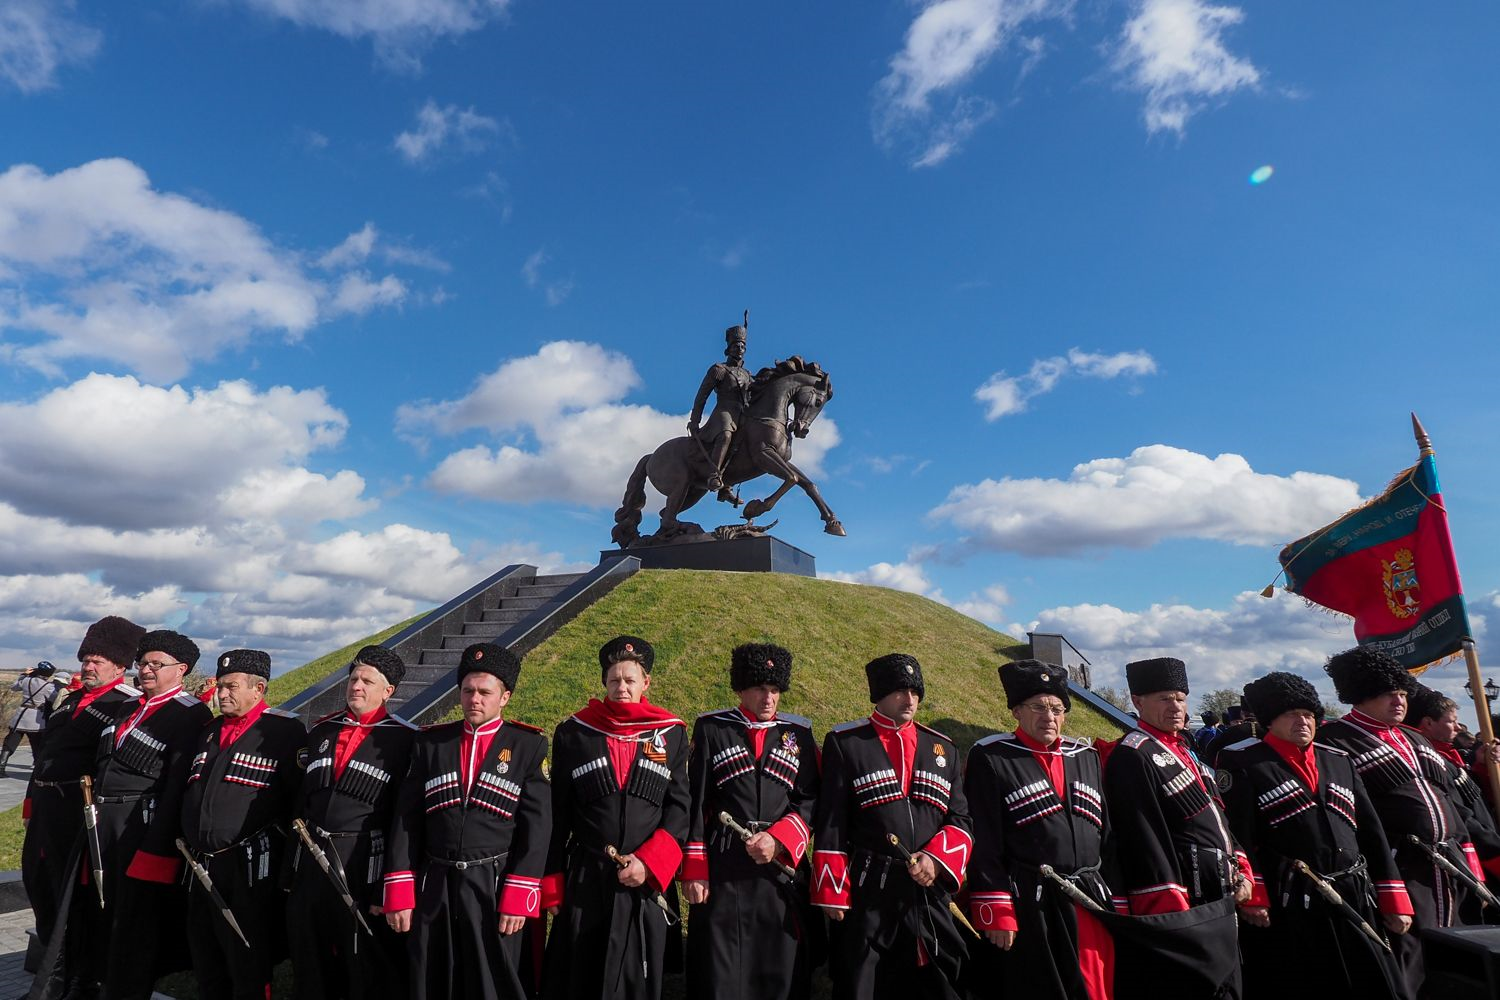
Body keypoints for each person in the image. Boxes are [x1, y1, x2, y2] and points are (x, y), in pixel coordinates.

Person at [1314, 646, 1495, 997]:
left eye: (1401, 693)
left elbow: (1453, 806)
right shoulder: (1335, 741)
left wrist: (1473, 863)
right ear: (1361, 693)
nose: (1398, 701)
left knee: (1459, 962)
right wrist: (1388, 886)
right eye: (1387, 694)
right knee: (1412, 962)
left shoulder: (1414, 738)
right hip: (1402, 868)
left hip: (1451, 868)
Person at [1217, 671, 1411, 998]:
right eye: (1291, 715)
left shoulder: (1337, 760)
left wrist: (1393, 895)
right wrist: (1256, 895)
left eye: (1308, 715)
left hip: (1353, 893)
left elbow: (1371, 831)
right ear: (1270, 720)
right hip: (1291, 898)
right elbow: (1240, 835)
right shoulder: (1244, 761)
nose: (1303, 722)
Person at [383, 642, 550, 1000]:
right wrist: (399, 886)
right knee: (432, 973)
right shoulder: (431, 743)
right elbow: (406, 819)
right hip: (436, 882)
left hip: (493, 882)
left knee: (491, 978)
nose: (475, 699)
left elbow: (537, 828)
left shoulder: (527, 745)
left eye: (485, 692)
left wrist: (519, 893)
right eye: (468, 691)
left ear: (504, 697)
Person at [812, 653, 973, 1000]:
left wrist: (935, 859)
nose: (910, 699)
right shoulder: (847, 743)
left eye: (915, 692)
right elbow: (832, 822)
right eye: (900, 691)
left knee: (938, 983)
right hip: (868, 888)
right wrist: (831, 889)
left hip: (927, 895)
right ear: (879, 694)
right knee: (862, 983)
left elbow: (960, 819)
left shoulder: (943, 747)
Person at [542, 635, 690, 1000]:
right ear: (604, 683)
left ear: (646, 683)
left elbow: (679, 808)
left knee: (638, 981)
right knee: (580, 975)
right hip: (586, 879)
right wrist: (553, 880)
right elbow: (557, 814)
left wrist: (650, 863)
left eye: (630, 680)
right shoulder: (574, 733)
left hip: (645, 879)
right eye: (614, 680)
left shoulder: (671, 733)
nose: (621, 688)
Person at [1102, 657, 1252, 998]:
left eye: (1181, 698)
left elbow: (1218, 820)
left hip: (1219, 890)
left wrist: (1241, 866)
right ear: (1138, 702)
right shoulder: (1133, 754)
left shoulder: (1186, 750)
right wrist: (1170, 905)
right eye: (1164, 698)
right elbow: (1143, 836)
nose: (1176, 707)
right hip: (1185, 898)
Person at [963, 659, 1112, 1000]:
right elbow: (984, 839)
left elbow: (1108, 834)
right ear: (1016, 711)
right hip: (1031, 901)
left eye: (1058, 709)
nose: (1050, 717)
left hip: (1089, 898)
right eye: (1039, 707)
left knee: (1095, 985)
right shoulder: (992, 756)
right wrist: (997, 908)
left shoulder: (1085, 755)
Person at [682, 643, 820, 1000]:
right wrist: (695, 868)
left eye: (774, 690)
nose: (768, 698)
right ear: (741, 689)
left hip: (779, 868)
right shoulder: (713, 728)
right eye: (760, 688)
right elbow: (695, 802)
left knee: (778, 960)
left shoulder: (799, 734)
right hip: (724, 864)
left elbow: (810, 799)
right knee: (722, 964)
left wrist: (780, 839)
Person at [21, 615, 146, 996]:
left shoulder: (123, 706)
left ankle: (75, 979)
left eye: (98, 661)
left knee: (73, 901)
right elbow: (45, 755)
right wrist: (29, 804)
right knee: (40, 887)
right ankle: (56, 973)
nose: (88, 667)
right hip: (45, 807)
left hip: (77, 812)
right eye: (86, 659)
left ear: (120, 666)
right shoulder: (68, 701)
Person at [290, 645, 419, 1000]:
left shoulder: (406, 739)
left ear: (387, 691)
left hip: (364, 864)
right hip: (313, 859)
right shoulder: (321, 731)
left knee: (363, 958)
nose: (356, 687)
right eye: (353, 678)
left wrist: (389, 887)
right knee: (310, 954)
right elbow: (303, 801)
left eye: (367, 681)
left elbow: (404, 820)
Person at [179, 649, 306, 1000]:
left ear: (258, 688)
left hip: (250, 867)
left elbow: (297, 803)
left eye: (231, 687)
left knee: (247, 958)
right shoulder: (209, 731)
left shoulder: (283, 731)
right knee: (206, 956)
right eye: (220, 687)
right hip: (201, 865)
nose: (222, 695)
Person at [688, 324, 753, 492]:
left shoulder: (748, 374)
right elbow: (702, 395)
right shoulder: (719, 369)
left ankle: (728, 485)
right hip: (724, 412)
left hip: (742, 413)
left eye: (742, 346)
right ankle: (713, 475)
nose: (739, 348)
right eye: (736, 345)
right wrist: (694, 420)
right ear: (728, 349)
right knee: (725, 435)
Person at [3, 661, 61, 775]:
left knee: (10, 743)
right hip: (36, 718)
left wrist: (24, 674)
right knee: (38, 745)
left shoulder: (26, 680)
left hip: (20, 716)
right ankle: (38, 769)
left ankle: (1, 766)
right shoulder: (48, 686)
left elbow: (14, 687)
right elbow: (54, 699)